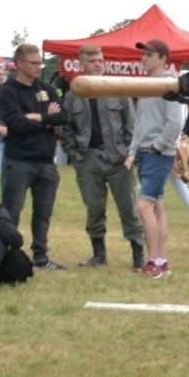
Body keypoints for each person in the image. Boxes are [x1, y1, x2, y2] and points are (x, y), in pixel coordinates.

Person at [62, 45, 146, 270]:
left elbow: (132, 124)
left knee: (128, 207)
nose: (98, 64)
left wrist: (130, 152)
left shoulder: (118, 90)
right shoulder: (73, 95)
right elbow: (66, 128)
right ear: (81, 64)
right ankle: (98, 253)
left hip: (118, 158)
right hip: (88, 157)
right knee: (94, 206)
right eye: (92, 61)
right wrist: (75, 155)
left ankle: (138, 254)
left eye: (100, 60)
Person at [0, 43, 67, 269]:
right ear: (19, 64)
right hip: (19, 161)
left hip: (46, 162)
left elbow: (63, 116)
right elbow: (16, 123)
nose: (39, 67)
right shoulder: (9, 91)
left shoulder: (46, 88)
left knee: (43, 213)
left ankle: (40, 256)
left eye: (40, 63)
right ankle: (4, 254)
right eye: (34, 63)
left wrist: (38, 118)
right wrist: (46, 117)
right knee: (11, 211)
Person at [124, 39, 187, 280]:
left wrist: (160, 147)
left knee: (144, 206)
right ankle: (161, 259)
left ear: (163, 58)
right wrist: (133, 151)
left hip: (158, 154)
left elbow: (176, 122)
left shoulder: (170, 85)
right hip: (147, 152)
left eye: (150, 54)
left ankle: (153, 262)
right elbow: (141, 123)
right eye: (143, 54)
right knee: (156, 205)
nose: (144, 58)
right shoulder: (148, 85)